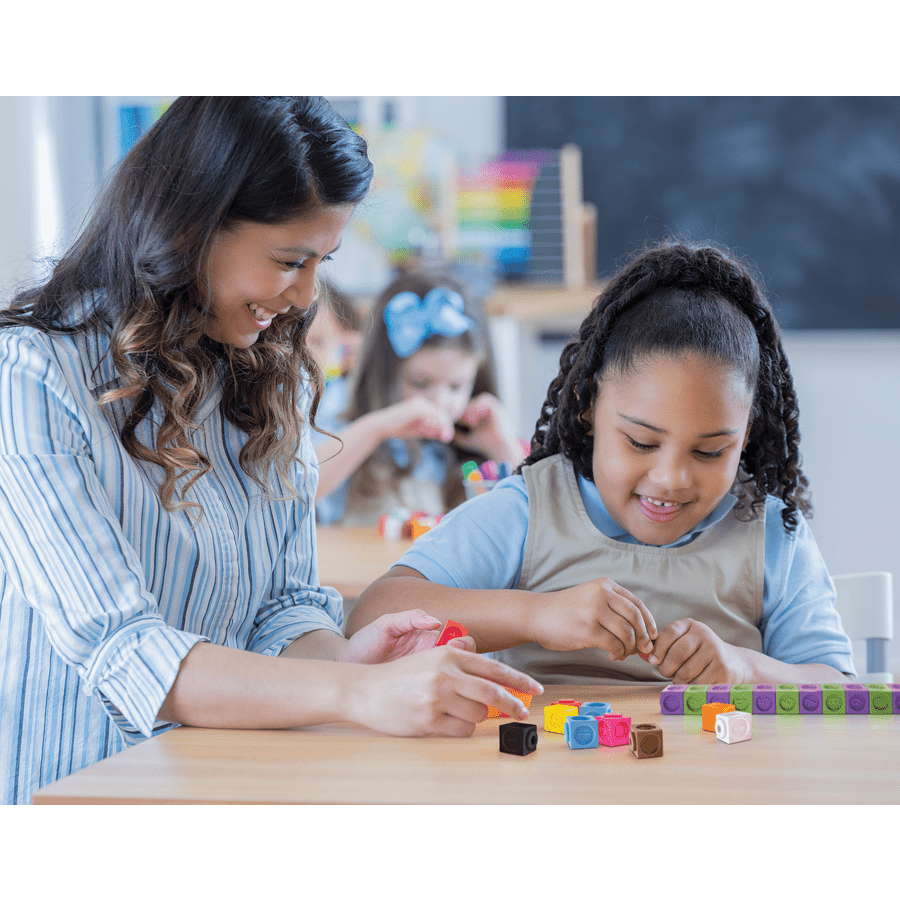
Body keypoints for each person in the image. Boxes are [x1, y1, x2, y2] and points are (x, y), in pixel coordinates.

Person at [0, 96, 540, 804]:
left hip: (227, 780)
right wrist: (352, 691)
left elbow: (282, 607)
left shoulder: (268, 377)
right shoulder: (34, 375)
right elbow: (126, 651)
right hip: (77, 791)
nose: (307, 295)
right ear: (191, 226)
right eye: (290, 260)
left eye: (322, 261)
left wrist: (347, 659)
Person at [347, 241, 857, 687]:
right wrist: (535, 614)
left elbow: (839, 687)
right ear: (589, 407)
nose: (671, 479)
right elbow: (371, 616)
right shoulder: (530, 512)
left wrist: (747, 668)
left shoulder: (772, 536)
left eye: (710, 452)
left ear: (746, 435)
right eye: (640, 442)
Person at [314, 271, 526, 525]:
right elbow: (302, 487)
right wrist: (376, 428)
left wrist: (503, 448)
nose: (440, 401)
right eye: (420, 383)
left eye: (456, 386)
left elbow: (534, 521)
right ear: (383, 377)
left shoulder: (471, 459)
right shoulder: (342, 430)